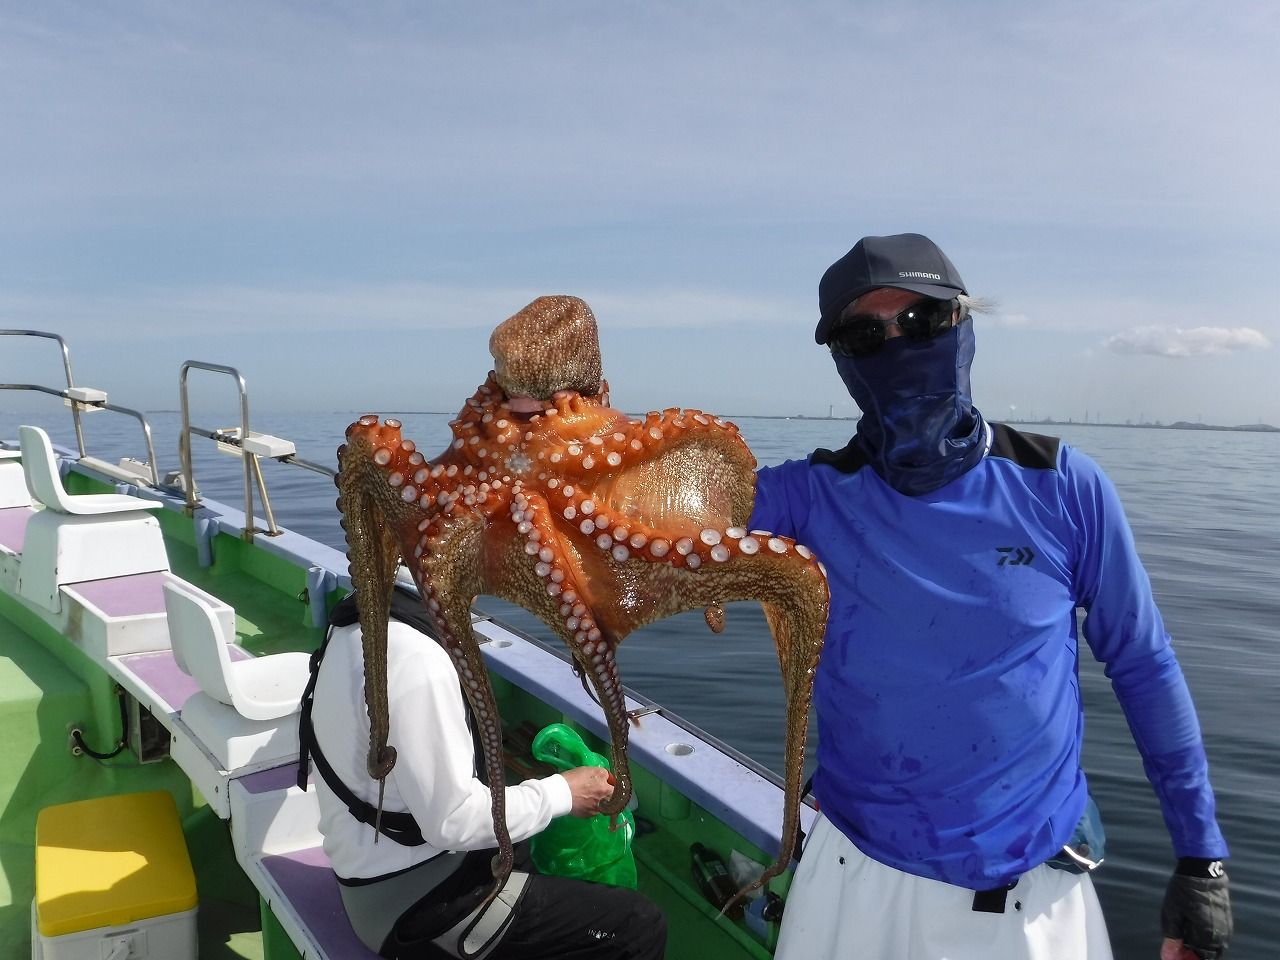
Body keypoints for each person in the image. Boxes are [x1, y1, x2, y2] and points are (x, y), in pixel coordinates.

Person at [749, 233, 1232, 960]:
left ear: (962, 325)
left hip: (1030, 894)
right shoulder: (805, 497)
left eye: (921, 321)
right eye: (865, 335)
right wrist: (574, 417)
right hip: (854, 872)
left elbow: (1144, 664)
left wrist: (1201, 857)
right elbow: (655, 517)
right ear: (842, 359)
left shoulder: (1063, 486)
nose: (898, 346)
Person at [298, 585, 666, 959]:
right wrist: (564, 793)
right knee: (637, 926)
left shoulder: (362, 615)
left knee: (532, 848)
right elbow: (453, 821)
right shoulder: (416, 659)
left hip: (384, 872)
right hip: (409, 905)